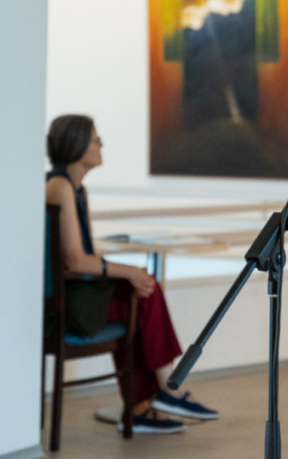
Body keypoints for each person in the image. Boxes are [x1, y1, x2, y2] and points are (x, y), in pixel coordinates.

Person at [45, 114, 218, 434]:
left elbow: (81, 256)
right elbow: (74, 260)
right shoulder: (60, 186)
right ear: (77, 144)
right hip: (68, 302)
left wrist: (129, 274)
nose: (101, 145)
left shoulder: (76, 189)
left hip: (80, 292)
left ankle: (143, 405)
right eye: (96, 139)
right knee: (145, 289)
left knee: (142, 291)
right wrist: (129, 272)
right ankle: (167, 390)